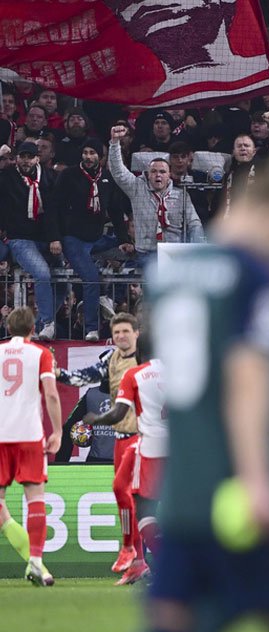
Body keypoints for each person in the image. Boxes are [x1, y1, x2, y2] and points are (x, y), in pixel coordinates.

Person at [124, 140, 269, 632]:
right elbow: (246, 378)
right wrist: (260, 477)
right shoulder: (257, 276)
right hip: (252, 474)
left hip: (187, 482)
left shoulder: (170, 275)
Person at [56, 313, 141, 572]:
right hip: (122, 439)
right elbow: (86, 376)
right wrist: (58, 373)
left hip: (146, 438)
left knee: (139, 499)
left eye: (126, 331)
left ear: (137, 333)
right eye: (116, 333)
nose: (121, 337)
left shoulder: (150, 361)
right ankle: (137, 560)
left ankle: (140, 555)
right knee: (129, 498)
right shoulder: (110, 360)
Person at [83, 334, 160, 586]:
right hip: (181, 449)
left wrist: (96, 419)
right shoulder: (180, 373)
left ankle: (163, 565)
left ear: (139, 352)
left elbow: (119, 412)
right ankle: (140, 562)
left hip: (149, 448)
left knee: (144, 511)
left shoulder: (135, 375)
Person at [0, 306, 61, 586]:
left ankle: (35, 563)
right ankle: (36, 561)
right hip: (29, 435)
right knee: (35, 500)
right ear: (33, 329)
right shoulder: (41, 354)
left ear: (8, 327)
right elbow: (50, 394)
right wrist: (58, 431)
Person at [53, 138, 131, 341]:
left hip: (98, 239)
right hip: (73, 239)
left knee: (137, 253)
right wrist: (55, 237)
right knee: (91, 277)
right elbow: (55, 209)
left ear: (100, 156)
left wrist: (124, 239)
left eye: (92, 153)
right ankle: (91, 328)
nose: (88, 157)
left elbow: (115, 211)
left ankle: (108, 299)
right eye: (85, 152)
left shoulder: (107, 177)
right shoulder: (69, 175)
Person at [108, 125, 205, 267]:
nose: (158, 175)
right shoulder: (137, 188)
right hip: (145, 254)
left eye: (162, 171)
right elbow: (118, 171)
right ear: (148, 174)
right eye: (153, 171)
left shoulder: (181, 195)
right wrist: (115, 143)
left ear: (169, 175)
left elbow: (194, 223)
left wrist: (199, 250)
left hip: (173, 254)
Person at [0, 141, 62, 340]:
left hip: (45, 238)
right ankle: (47, 323)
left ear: (37, 158)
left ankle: (41, 323)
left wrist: (54, 238)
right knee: (42, 273)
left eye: (30, 157)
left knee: (64, 280)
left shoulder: (49, 177)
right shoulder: (7, 177)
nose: (26, 161)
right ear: (16, 158)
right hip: (20, 239)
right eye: (22, 156)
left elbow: (53, 211)